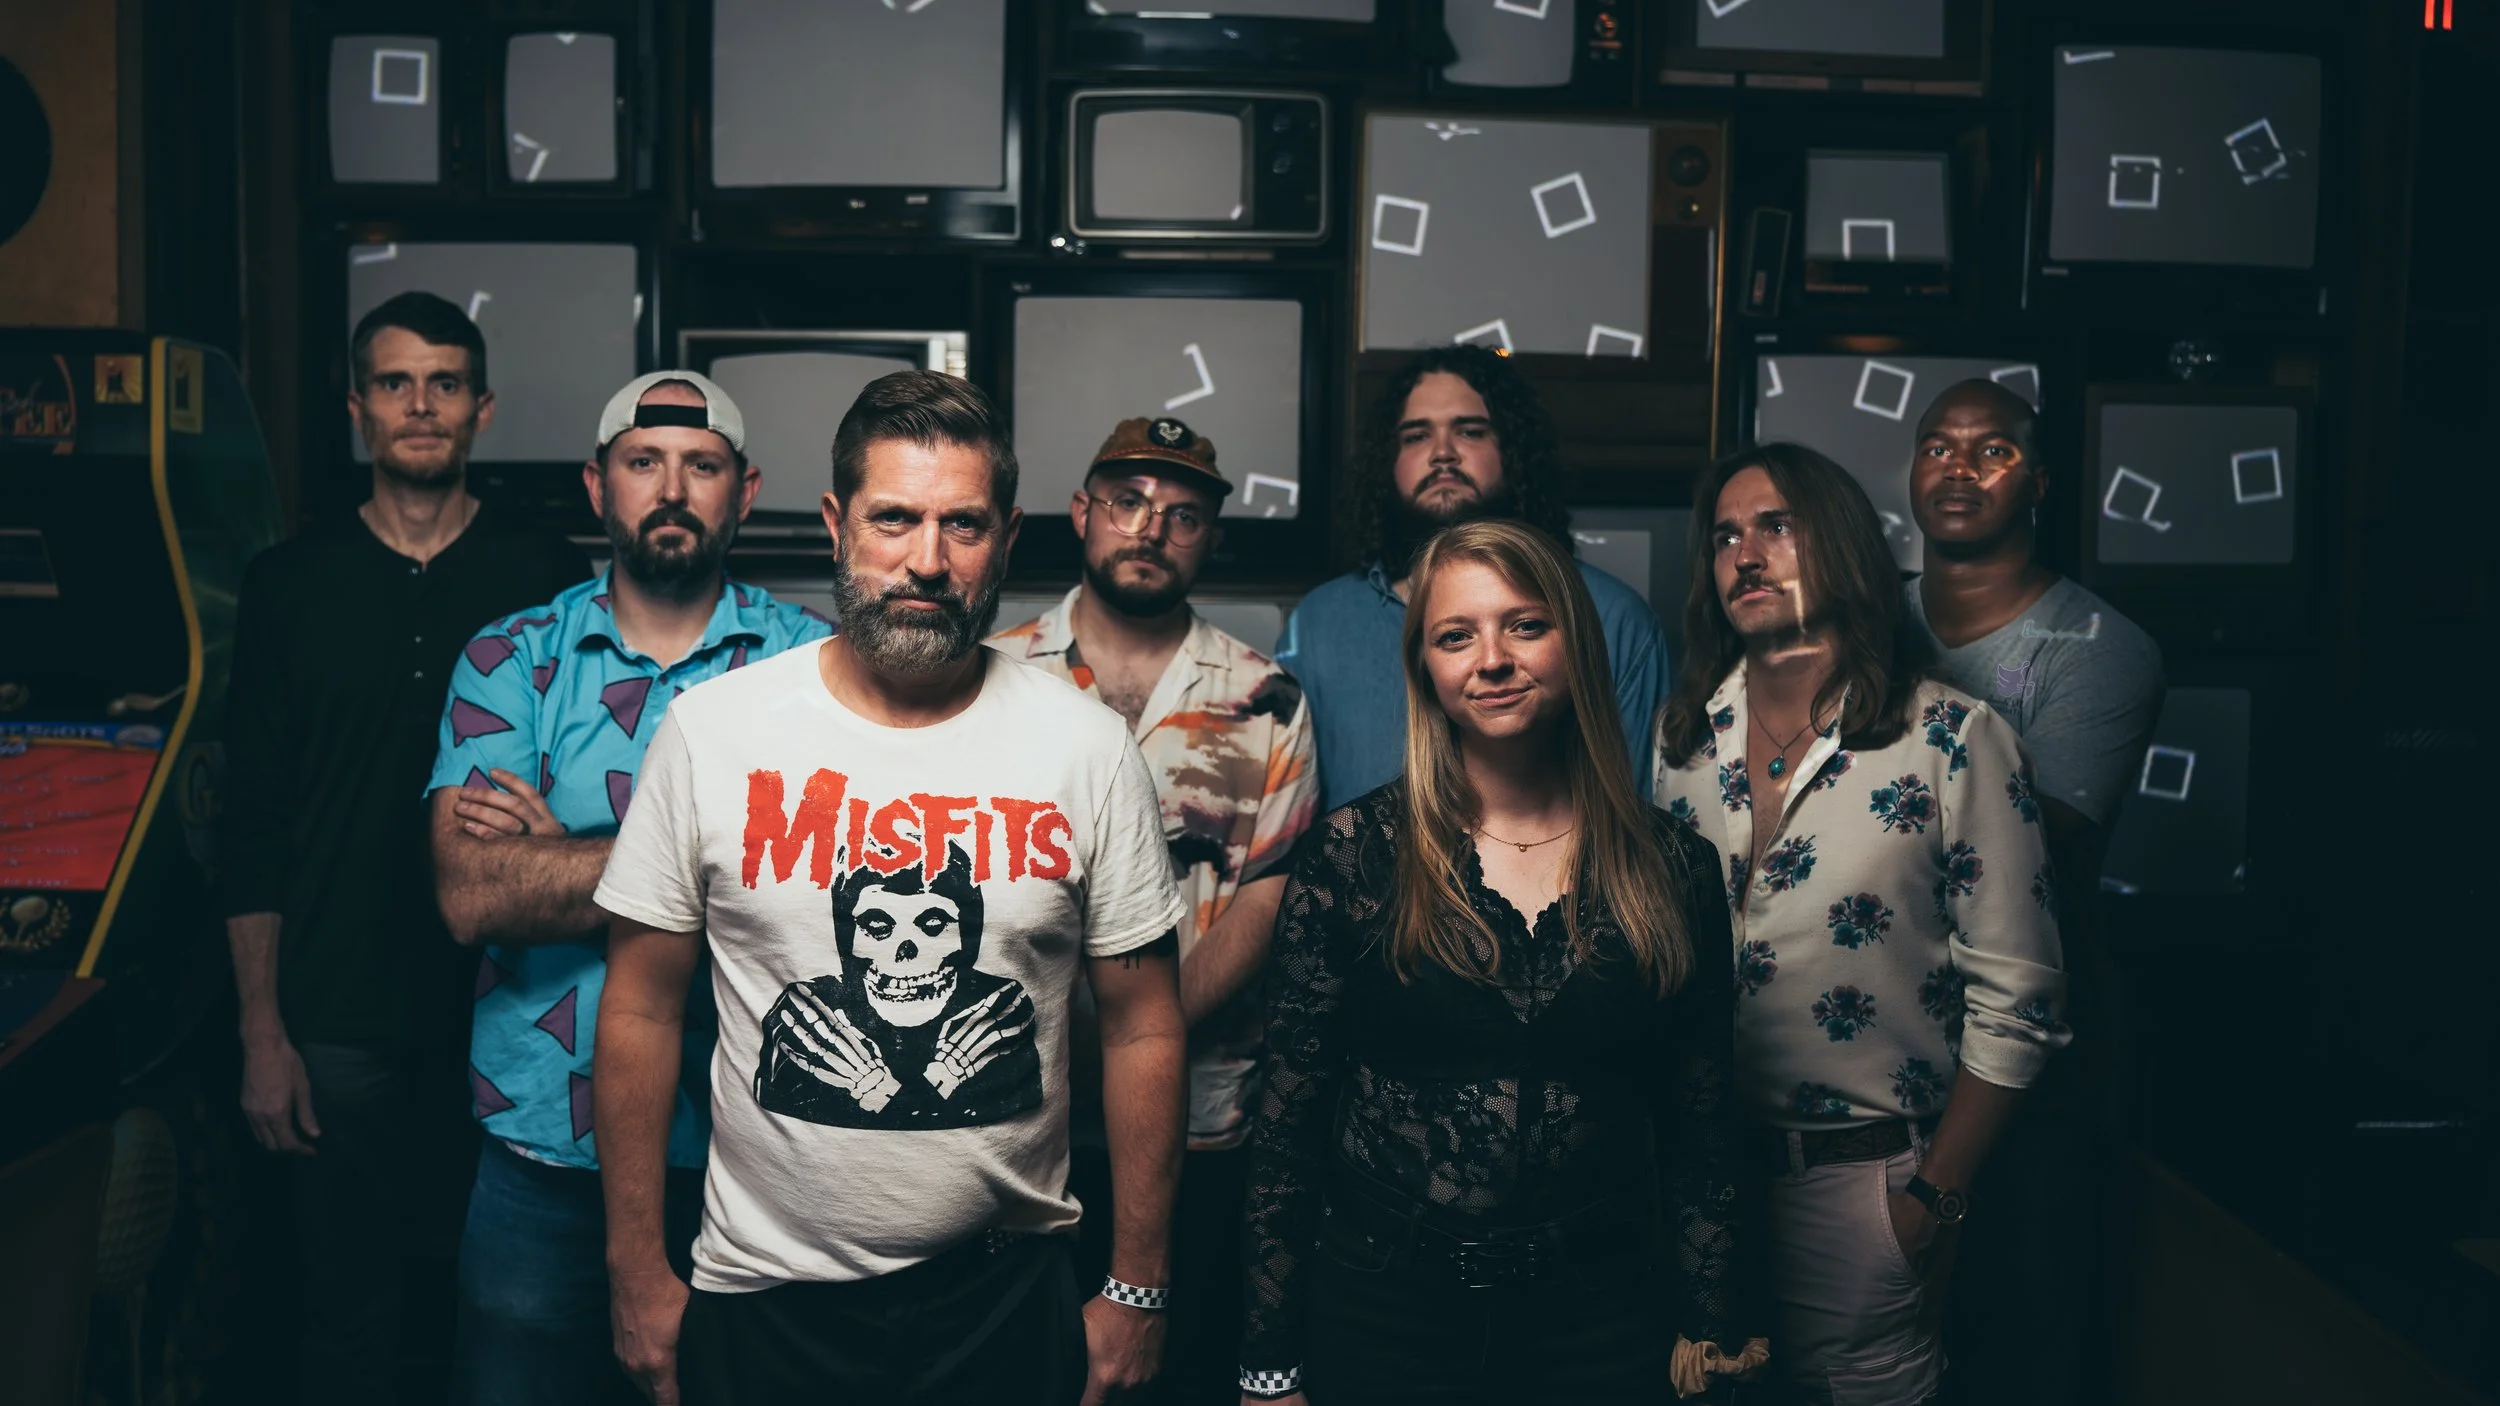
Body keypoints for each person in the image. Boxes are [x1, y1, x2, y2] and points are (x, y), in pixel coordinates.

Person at [590, 371, 1189, 1406]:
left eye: (961, 524)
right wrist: (636, 1269)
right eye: (895, 518)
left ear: (1005, 539)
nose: (927, 559)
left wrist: (1138, 1285)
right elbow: (640, 1004)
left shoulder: (1086, 747)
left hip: (1005, 1296)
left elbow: (1142, 1025)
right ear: (835, 522)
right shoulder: (714, 730)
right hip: (764, 1293)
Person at [1238, 519, 1765, 1406]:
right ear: (1427, 673)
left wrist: (1708, 1333)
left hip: (1603, 1320)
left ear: (1574, 639)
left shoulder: (1672, 865)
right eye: (1457, 635)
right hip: (1383, 1314)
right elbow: (1289, 1126)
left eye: (1524, 625)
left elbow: (1700, 1124)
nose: (1491, 659)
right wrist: (1267, 1364)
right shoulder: (1353, 856)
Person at [425, 371, 832, 1404]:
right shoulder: (510, 656)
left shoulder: (809, 665)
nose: (671, 487)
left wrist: (562, 853)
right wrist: (715, 856)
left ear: (744, 493)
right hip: (541, 1148)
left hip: (755, 1152)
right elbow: (473, 892)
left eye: (702, 466)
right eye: (643, 461)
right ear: (596, 485)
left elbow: (821, 890)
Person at [218, 292, 587, 1403]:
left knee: (508, 1313)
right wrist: (261, 1029)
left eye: (442, 382)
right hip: (336, 1017)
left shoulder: (545, 574)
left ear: (482, 408)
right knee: (345, 1315)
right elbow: (254, 819)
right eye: (393, 382)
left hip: (512, 1009)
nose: (419, 405)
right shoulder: (288, 583)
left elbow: (601, 766)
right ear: (356, 409)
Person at [1654, 443, 2070, 1406]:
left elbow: (2023, 1001)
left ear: (1840, 544)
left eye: (1777, 526)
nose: (1745, 554)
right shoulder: (1681, 740)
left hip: (1860, 1183)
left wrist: (1931, 1201)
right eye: (1725, 535)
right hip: (1693, 1181)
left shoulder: (1951, 741)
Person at [990, 416, 1320, 1405]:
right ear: (1082, 514)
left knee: (1169, 1373)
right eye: (1127, 502)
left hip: (1200, 1121)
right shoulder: (994, 672)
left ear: (1207, 539)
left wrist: (1142, 1041)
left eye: (1181, 514)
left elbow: (1268, 894)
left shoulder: (1265, 694)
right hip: (1011, 1122)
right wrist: (1064, 1048)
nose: (1150, 527)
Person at [1904, 382, 2162, 1404]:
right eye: (1936, 446)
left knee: (2018, 1328)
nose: (1957, 467)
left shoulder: (2100, 649)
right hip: (1866, 1038)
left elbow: (2020, 853)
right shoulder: (1858, 609)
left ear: (2040, 483)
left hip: (2024, 1050)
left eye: (1992, 451)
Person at [1276, 346, 1669, 811]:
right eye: (1417, 436)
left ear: (1513, 452)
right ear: (1387, 463)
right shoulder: (1318, 623)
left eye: (1470, 431)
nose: (1443, 453)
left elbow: (1640, 816)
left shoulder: (1613, 616)